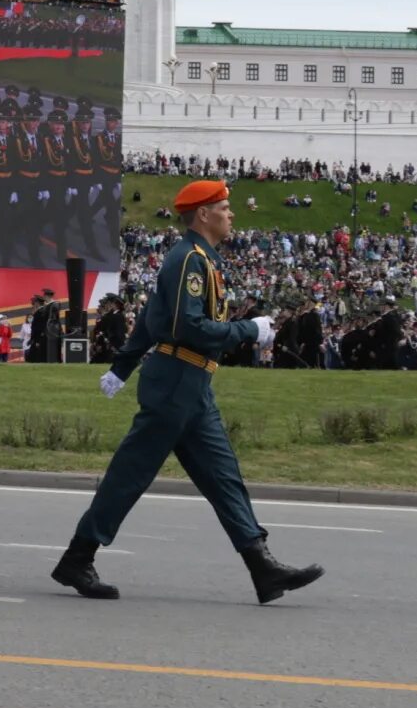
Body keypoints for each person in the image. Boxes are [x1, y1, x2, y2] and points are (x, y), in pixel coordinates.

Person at [53, 179, 324, 605]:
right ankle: (77, 556)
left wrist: (123, 366)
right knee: (130, 475)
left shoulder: (200, 260)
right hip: (176, 380)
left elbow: (149, 316)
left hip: (192, 384)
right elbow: (186, 327)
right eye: (225, 207)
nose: (231, 214)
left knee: (223, 477)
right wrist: (248, 330)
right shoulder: (188, 261)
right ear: (203, 214)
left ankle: (262, 566)